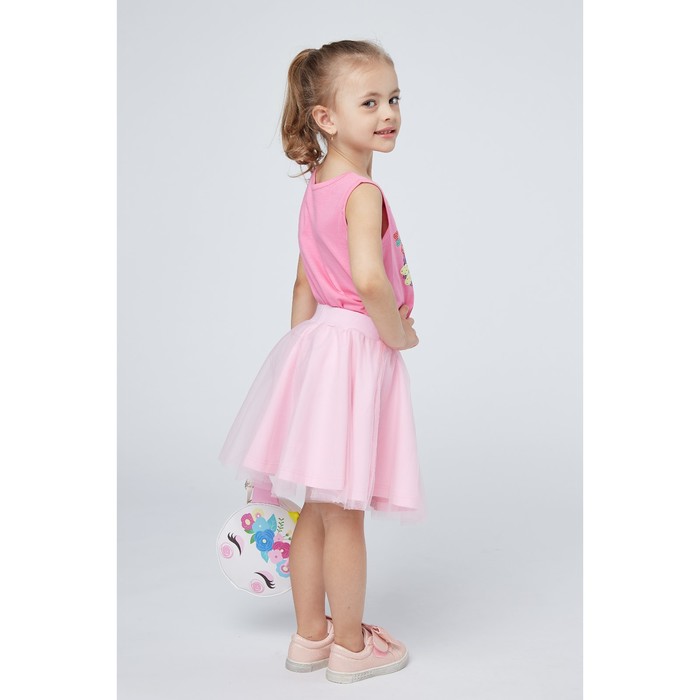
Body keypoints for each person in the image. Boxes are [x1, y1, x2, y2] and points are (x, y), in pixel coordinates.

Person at [218, 39, 426, 684]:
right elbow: (369, 280)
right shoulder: (362, 193)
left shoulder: (316, 188)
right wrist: (397, 334)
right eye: (370, 102)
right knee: (344, 512)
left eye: (394, 99)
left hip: (318, 350)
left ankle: (310, 637)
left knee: (314, 505)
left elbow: (303, 282)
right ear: (326, 118)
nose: (388, 113)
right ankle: (352, 649)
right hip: (355, 350)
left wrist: (302, 369)